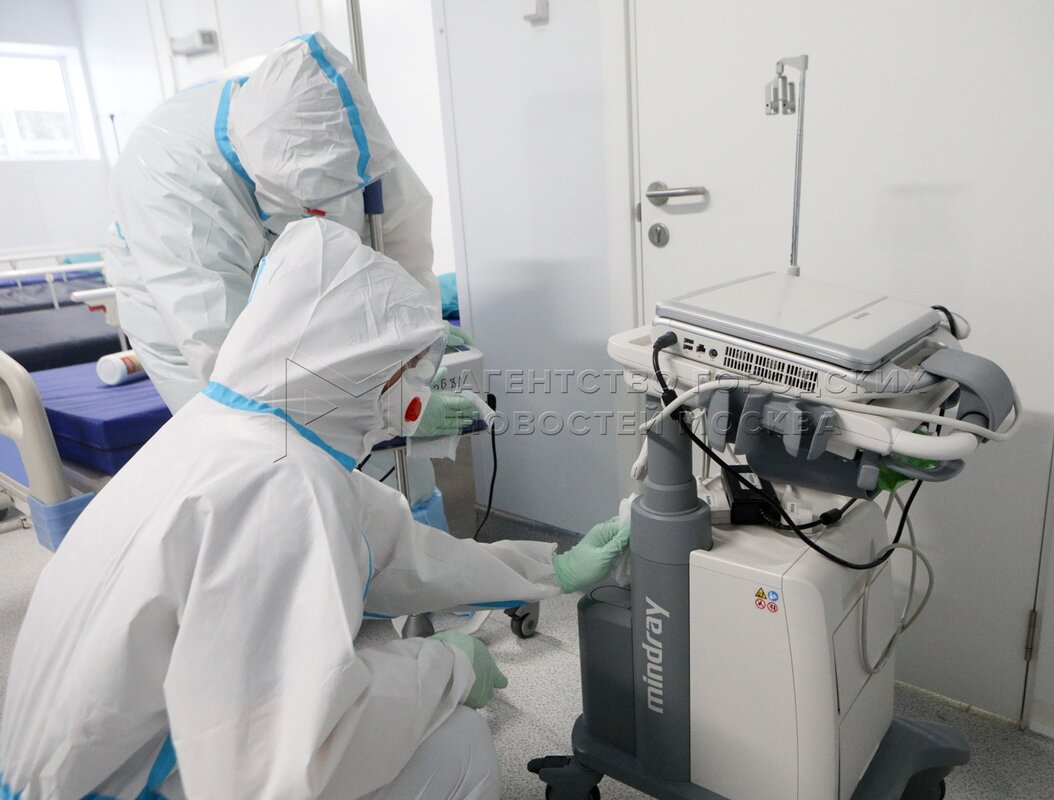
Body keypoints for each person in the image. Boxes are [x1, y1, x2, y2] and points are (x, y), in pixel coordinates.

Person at [0, 218, 630, 800]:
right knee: (458, 744)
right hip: (125, 784)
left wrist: (552, 568)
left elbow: (396, 553)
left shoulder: (231, 432)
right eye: (411, 370)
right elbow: (287, 757)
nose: (415, 395)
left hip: (94, 760)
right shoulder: (281, 486)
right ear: (359, 368)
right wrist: (446, 669)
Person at [106, 31, 456, 413]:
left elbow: (403, 233)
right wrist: (361, 411)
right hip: (175, 300)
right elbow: (225, 357)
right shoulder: (172, 179)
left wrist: (418, 341)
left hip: (265, 245)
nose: (329, 212)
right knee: (238, 422)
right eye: (313, 203)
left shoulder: (334, 117)